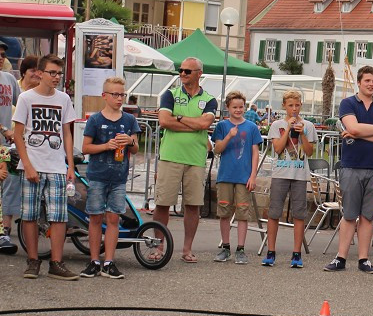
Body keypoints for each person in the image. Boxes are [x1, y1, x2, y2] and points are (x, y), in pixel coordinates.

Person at [12, 54, 78, 279]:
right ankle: (33, 260)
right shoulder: (26, 98)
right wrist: (28, 166)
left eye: (59, 73)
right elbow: (18, 136)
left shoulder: (63, 99)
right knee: (29, 215)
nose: (57, 77)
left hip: (57, 165)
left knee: (59, 216)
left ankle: (56, 263)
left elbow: (67, 132)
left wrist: (70, 164)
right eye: (52, 72)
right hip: (33, 164)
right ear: (40, 73)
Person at [326, 65, 373, 273]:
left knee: (368, 216)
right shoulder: (348, 103)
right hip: (351, 166)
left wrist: (358, 133)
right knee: (349, 215)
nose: (371, 84)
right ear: (359, 82)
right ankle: (341, 258)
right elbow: (353, 127)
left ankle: (364, 259)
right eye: (367, 81)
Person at [152, 57, 218, 264]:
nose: (182, 74)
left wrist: (178, 118)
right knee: (163, 203)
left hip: (195, 159)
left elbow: (205, 123)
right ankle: (158, 246)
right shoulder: (170, 94)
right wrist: (193, 123)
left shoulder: (209, 99)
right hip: (171, 156)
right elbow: (164, 121)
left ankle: (187, 248)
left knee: (193, 206)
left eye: (187, 71)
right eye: (180, 70)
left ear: (199, 73)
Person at [78, 76, 140, 279]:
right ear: (104, 96)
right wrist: (106, 146)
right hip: (97, 175)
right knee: (95, 217)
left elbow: (137, 148)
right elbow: (86, 148)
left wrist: (129, 141)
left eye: (122, 94)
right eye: (115, 94)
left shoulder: (129, 120)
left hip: (119, 177)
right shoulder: (95, 120)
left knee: (114, 218)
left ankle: (109, 261)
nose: (119, 98)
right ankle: (94, 261)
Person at [262, 90, 315, 268]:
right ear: (284, 106)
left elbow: (309, 152)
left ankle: (296, 253)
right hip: (280, 174)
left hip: (299, 175)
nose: (294, 109)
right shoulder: (277, 124)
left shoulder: (308, 125)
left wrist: (302, 134)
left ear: (301, 105)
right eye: (290, 105)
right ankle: (271, 251)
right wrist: (287, 128)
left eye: (297, 105)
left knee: (299, 213)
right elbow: (277, 148)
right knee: (274, 212)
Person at [211, 92, 262, 265]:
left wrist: (253, 175)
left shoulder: (251, 127)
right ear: (228, 108)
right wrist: (229, 136)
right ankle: (225, 247)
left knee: (242, 213)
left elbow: (255, 152)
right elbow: (217, 149)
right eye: (235, 107)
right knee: (224, 212)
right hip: (226, 175)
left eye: (241, 107)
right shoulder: (222, 126)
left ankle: (241, 249)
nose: (238, 110)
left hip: (244, 177)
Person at [2, 55, 39, 244]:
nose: (36, 74)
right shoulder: (14, 85)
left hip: (26, 145)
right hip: (9, 143)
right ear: (24, 72)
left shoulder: (11, 82)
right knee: (11, 182)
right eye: (33, 70)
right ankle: (5, 228)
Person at [0, 65, 20, 253]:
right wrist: (4, 128)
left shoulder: (9, 79)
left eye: (2, 54)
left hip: (4, 146)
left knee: (7, 183)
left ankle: (4, 232)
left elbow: (20, 105)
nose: (0, 58)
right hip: (4, 136)